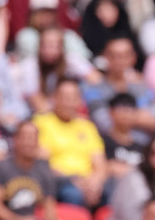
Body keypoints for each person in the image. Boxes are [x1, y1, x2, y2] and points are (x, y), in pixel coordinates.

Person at [0, 121, 74, 220]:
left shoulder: (44, 169)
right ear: (15, 140)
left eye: (33, 138)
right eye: (25, 137)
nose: (29, 142)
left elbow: (49, 206)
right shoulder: (0, 167)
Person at [33, 77, 108, 207]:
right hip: (58, 180)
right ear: (54, 98)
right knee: (73, 194)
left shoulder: (87, 126)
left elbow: (100, 164)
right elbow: (42, 163)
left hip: (87, 181)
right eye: (65, 98)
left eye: (74, 98)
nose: (69, 103)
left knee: (111, 191)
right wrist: (73, 180)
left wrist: (94, 183)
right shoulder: (41, 123)